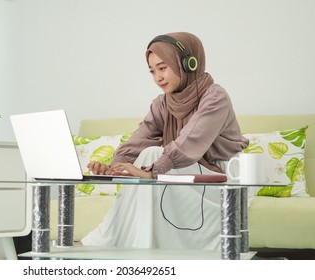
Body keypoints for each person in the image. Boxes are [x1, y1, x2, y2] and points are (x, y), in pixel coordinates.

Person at [82, 32, 249, 250]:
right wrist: (114, 168)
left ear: (188, 64)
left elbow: (189, 141)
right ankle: (128, 248)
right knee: (148, 155)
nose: (157, 77)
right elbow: (138, 140)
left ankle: (104, 242)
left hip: (222, 184)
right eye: (152, 71)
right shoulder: (162, 104)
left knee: (152, 154)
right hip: (184, 180)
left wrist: (153, 171)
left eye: (163, 68)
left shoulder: (215, 97)